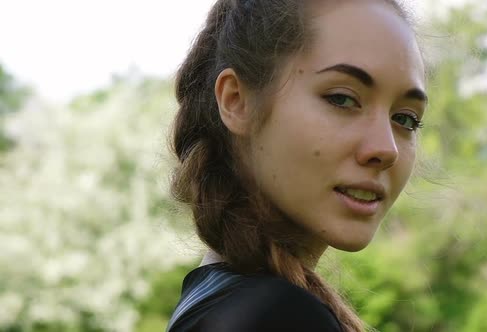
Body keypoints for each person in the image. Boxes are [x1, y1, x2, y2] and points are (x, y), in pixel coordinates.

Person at [166, 0, 428, 331]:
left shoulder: (213, 302)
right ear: (236, 100)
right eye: (342, 99)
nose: (386, 148)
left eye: (405, 119)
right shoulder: (277, 316)